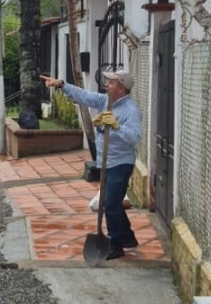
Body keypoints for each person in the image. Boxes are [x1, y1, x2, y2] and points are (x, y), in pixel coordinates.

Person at [40, 70, 142, 260]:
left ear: (121, 88)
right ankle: (127, 237)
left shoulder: (131, 110)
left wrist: (117, 126)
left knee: (109, 204)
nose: (107, 85)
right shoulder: (105, 101)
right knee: (112, 203)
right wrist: (62, 84)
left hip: (120, 163)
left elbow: (135, 137)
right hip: (107, 161)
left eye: (111, 83)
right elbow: (85, 96)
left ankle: (117, 244)